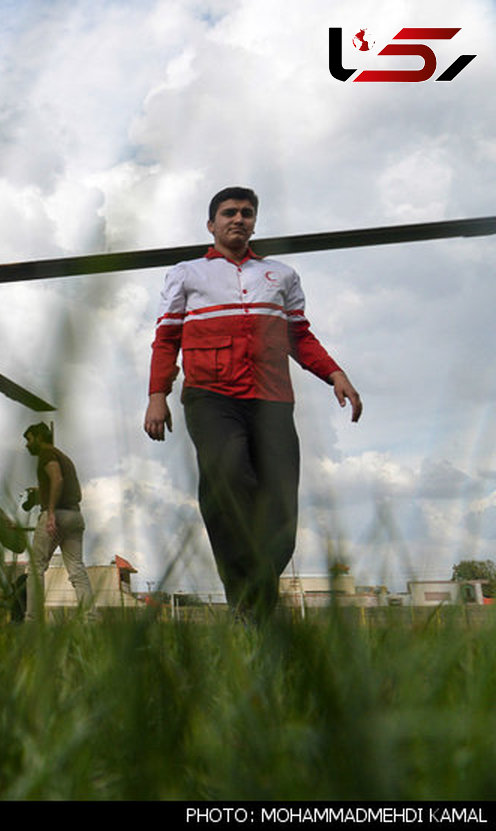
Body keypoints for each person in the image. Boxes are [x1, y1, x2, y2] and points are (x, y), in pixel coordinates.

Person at [144, 186, 362, 621]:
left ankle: (256, 601)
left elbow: (300, 335)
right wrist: (156, 396)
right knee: (228, 480)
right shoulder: (186, 274)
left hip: (272, 399)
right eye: (229, 213)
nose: (238, 219)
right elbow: (167, 338)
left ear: (255, 222)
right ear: (212, 224)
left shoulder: (281, 276)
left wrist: (334, 374)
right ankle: (243, 594)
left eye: (246, 213)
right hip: (211, 396)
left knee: (280, 503)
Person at [23, 422, 93, 620]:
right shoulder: (64, 457)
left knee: (36, 568)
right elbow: (66, 486)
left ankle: (33, 621)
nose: (27, 445)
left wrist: (51, 512)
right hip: (75, 516)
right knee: (77, 570)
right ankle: (90, 619)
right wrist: (40, 493)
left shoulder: (46, 455)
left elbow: (57, 479)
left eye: (29, 439)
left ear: (39, 437)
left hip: (57, 515)